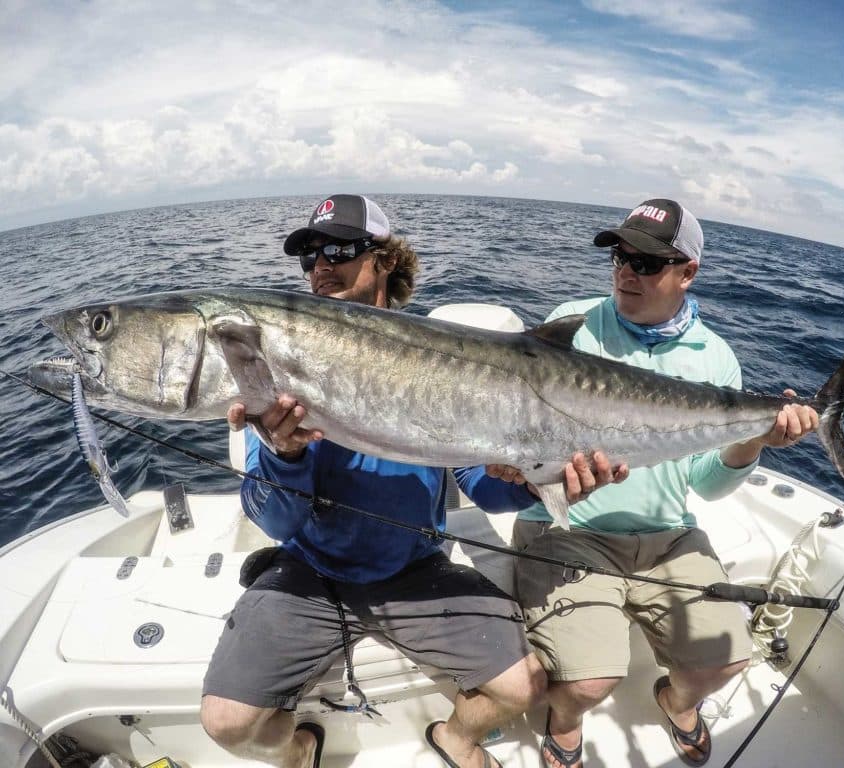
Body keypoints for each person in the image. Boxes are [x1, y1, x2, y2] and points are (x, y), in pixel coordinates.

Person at [199, 194, 626, 768]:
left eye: (340, 249)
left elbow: (483, 484)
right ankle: (302, 750)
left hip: (414, 568)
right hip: (309, 568)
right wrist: (284, 454)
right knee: (226, 723)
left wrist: (533, 482)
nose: (321, 264)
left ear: (385, 261)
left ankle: (455, 738)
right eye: (309, 256)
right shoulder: (279, 355)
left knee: (523, 687)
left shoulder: (444, 354)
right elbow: (275, 519)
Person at [512, 199, 819, 768]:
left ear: (688, 273)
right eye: (620, 256)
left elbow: (707, 485)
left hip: (668, 538)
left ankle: (675, 701)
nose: (628, 271)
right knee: (587, 683)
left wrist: (754, 440)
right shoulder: (573, 325)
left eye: (649, 263)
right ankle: (566, 720)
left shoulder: (717, 358)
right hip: (567, 529)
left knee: (727, 661)